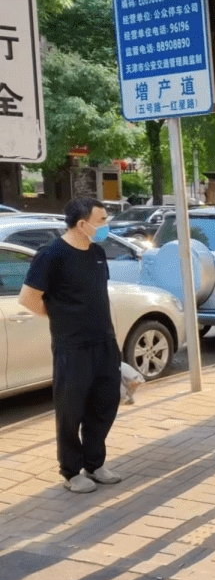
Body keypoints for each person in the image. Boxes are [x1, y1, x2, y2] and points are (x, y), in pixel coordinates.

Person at [18, 197, 123, 493]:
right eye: (102, 220)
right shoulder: (51, 255)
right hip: (72, 347)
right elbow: (28, 298)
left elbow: (98, 296)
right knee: (71, 411)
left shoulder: (97, 252)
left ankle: (95, 463)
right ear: (82, 224)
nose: (106, 226)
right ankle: (71, 470)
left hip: (104, 342)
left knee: (105, 405)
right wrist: (63, 318)